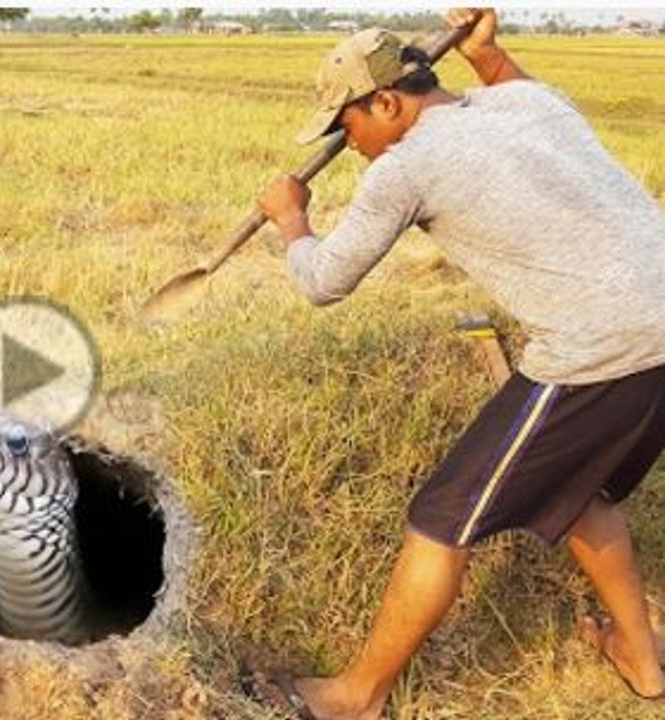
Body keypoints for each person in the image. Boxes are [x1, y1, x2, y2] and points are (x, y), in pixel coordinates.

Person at [247, 9, 665, 719]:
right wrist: (489, 53)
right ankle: (644, 662)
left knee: (440, 519)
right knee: (581, 490)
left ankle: (355, 698)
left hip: (603, 348)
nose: (351, 147)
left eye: (347, 129)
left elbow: (323, 283)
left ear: (386, 102)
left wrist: (291, 221)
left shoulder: (407, 167)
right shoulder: (524, 101)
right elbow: (508, 82)